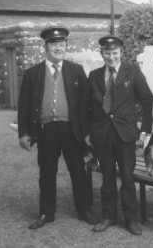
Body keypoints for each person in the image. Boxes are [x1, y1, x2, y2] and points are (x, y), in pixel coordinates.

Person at [18, 26, 96, 229]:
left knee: (79, 171)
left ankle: (84, 210)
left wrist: (87, 133)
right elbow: (24, 106)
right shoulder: (32, 74)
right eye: (54, 44)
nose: (58, 48)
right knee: (47, 173)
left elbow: (87, 105)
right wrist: (24, 133)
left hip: (72, 130)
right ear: (46, 47)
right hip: (46, 131)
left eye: (62, 44)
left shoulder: (76, 71)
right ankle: (46, 213)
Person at [84, 35, 153, 235]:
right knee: (106, 177)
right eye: (107, 53)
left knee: (127, 177)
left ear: (121, 52)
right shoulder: (94, 75)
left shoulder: (133, 71)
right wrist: (89, 132)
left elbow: (147, 101)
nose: (111, 57)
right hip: (102, 135)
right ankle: (108, 216)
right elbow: (88, 108)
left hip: (125, 135)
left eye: (115, 53)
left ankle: (131, 219)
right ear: (102, 54)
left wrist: (145, 130)